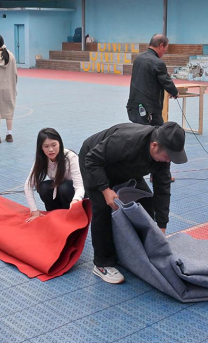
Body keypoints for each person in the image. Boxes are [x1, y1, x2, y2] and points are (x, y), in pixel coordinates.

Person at [79, 122, 187, 284]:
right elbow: (92, 159)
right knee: (103, 208)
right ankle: (102, 263)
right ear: (154, 145)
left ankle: (135, 249)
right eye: (168, 156)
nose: (169, 160)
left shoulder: (163, 155)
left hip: (124, 165)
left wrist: (161, 226)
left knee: (145, 201)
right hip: (95, 162)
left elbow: (162, 189)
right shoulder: (127, 140)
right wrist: (105, 189)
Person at [24, 128, 84, 222]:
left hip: (78, 191)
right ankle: (54, 216)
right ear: (41, 148)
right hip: (60, 188)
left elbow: (80, 186)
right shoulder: (42, 159)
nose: (51, 149)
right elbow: (28, 185)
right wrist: (34, 210)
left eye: (54, 145)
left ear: (60, 143)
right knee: (43, 187)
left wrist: (76, 200)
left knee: (64, 187)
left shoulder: (70, 157)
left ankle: (71, 217)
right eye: (46, 146)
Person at [126, 34, 179, 126]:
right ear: (161, 45)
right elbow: (166, 81)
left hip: (134, 106)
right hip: (149, 110)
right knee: (156, 131)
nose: (165, 51)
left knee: (137, 130)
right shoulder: (157, 62)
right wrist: (174, 92)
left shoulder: (138, 59)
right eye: (166, 48)